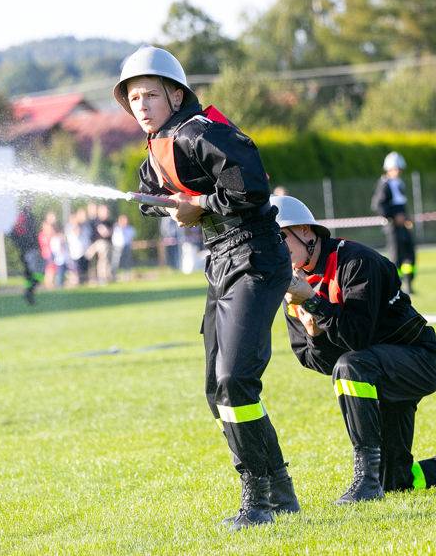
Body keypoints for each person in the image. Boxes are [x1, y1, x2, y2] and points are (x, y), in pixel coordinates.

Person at [113, 45, 298, 530]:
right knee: (216, 388)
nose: (142, 105)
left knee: (234, 380)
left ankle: (257, 501)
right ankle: (280, 490)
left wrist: (199, 205)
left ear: (176, 95)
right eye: (134, 98)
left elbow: (250, 185)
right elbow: (150, 195)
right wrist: (170, 204)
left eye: (151, 94)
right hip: (220, 261)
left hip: (255, 256)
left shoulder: (199, 132)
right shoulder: (157, 144)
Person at [272, 194, 436, 504]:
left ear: (305, 230)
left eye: (280, 237)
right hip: (374, 371)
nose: (275, 248)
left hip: (419, 358)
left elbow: (357, 338)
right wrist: (314, 332)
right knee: (396, 480)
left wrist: (316, 303)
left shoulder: (356, 262)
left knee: (351, 366)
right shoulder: (293, 286)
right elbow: (312, 358)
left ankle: (365, 480)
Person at [371, 151, 417, 294]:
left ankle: (409, 285)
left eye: (400, 169)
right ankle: (396, 287)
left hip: (404, 226)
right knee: (396, 257)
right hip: (392, 228)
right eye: (396, 169)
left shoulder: (399, 184)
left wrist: (407, 218)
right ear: (389, 169)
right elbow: (378, 205)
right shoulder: (384, 185)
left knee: (410, 255)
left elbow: (401, 205)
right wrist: (393, 217)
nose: (398, 172)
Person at [9, 200, 44, 304]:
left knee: (30, 274)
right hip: (30, 251)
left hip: (26, 251)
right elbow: (20, 233)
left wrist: (20, 245)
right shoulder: (25, 217)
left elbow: (12, 234)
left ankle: (29, 293)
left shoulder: (21, 217)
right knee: (39, 273)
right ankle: (29, 292)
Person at [111, 214, 136, 281]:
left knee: (127, 261)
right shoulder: (115, 228)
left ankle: (127, 275)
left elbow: (132, 239)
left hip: (127, 247)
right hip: (117, 247)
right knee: (115, 261)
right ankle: (113, 275)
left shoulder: (130, 229)